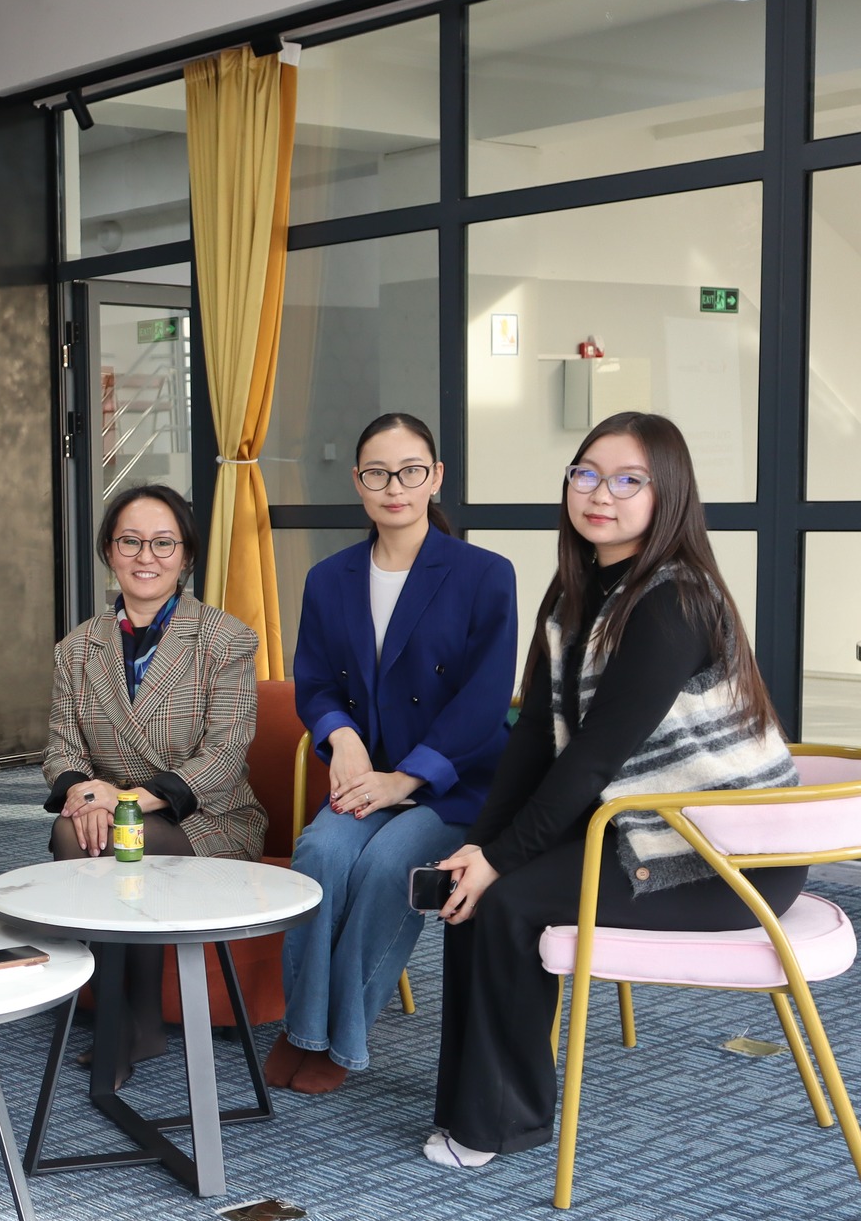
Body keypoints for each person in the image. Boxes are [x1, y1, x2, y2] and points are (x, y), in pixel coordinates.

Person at [426, 411, 799, 1170]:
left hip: (724, 858)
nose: (602, 494)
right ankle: (471, 1101)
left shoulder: (675, 601)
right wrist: (480, 847)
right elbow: (533, 739)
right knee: (469, 890)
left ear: (669, 495)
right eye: (588, 474)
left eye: (630, 480)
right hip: (640, 830)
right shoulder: (573, 594)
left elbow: (592, 761)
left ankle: (499, 1121)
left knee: (508, 898)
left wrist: (501, 862)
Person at [274, 414, 518, 1094]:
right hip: (364, 773)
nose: (394, 488)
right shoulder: (330, 578)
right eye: (378, 474)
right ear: (358, 483)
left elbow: (484, 700)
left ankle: (341, 1040)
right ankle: (304, 1027)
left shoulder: (484, 574)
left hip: (456, 782)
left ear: (435, 477)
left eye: (410, 471)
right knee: (320, 853)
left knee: (388, 866)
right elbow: (314, 681)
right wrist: (343, 738)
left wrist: (407, 779)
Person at [43, 483, 266, 1086]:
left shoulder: (225, 638)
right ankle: (129, 1019)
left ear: (186, 555)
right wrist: (82, 793)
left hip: (207, 819)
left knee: (118, 837)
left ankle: (128, 1023)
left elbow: (226, 752)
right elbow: (62, 748)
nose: (147, 556)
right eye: (130, 542)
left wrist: (125, 801)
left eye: (163, 543)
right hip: (111, 816)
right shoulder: (76, 649)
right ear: (108, 552)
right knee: (77, 831)